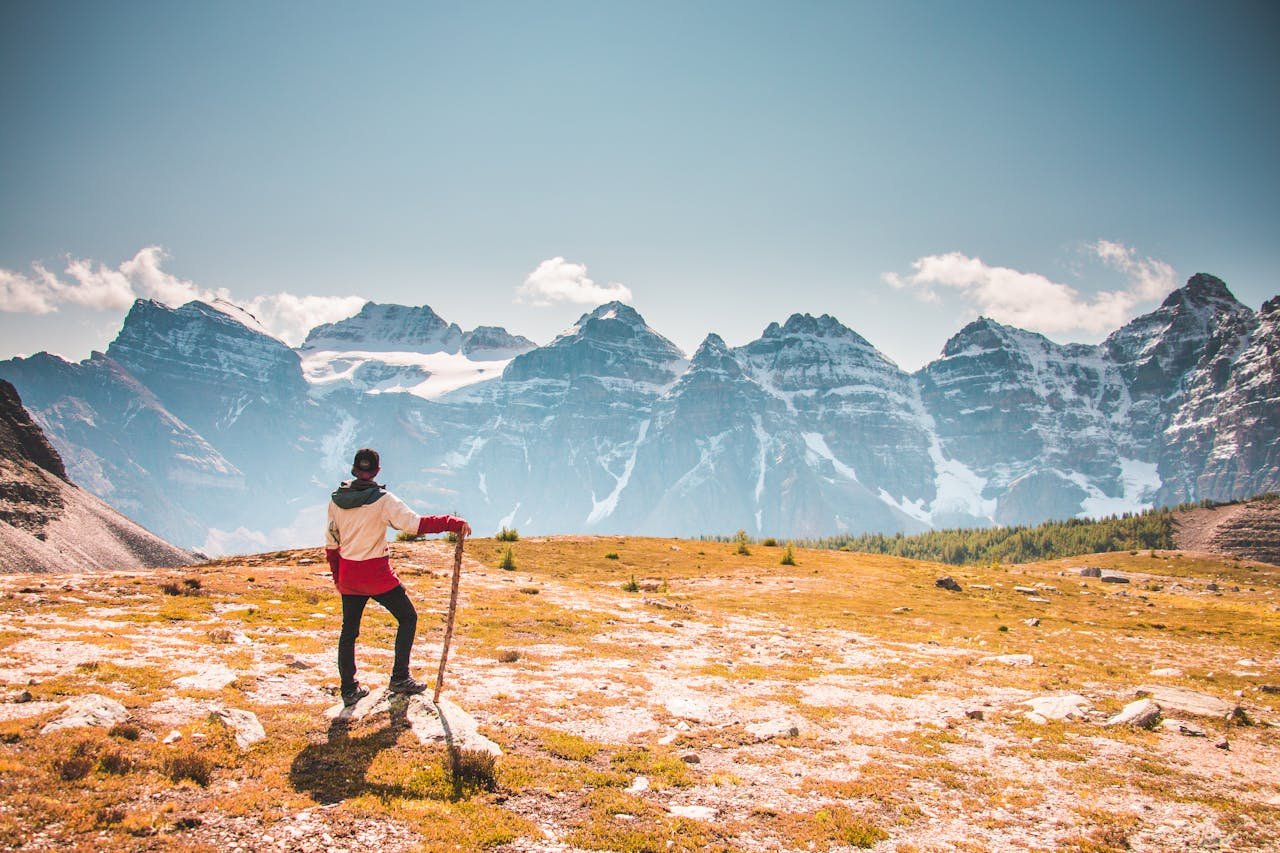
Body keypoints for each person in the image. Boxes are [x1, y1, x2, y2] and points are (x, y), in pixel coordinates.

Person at [324, 447, 470, 706]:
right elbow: (415, 525)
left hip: (349, 575)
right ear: (377, 471)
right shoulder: (382, 500)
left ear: (354, 469)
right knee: (407, 617)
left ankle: (348, 689)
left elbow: (332, 544)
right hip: (376, 575)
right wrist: (452, 522)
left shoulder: (336, 500)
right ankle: (399, 677)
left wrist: (338, 577)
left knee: (349, 631)